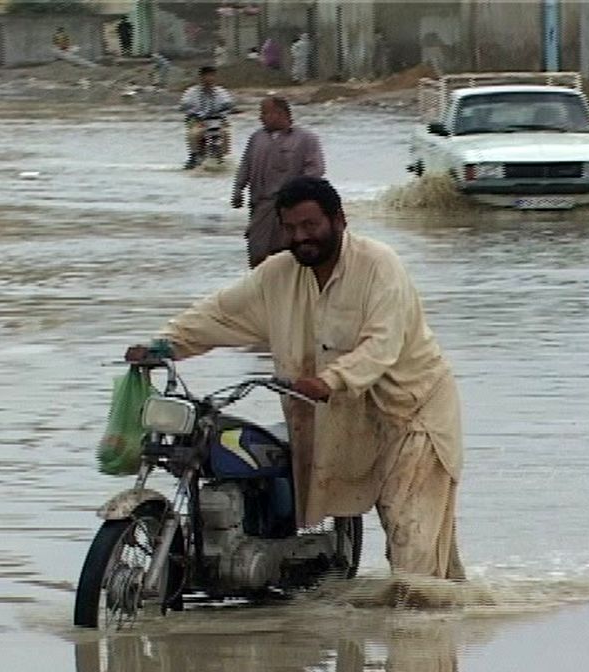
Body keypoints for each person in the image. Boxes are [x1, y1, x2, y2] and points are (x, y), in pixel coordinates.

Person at [126, 177, 466, 581]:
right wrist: (165, 345)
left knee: (413, 543)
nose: (300, 237)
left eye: (310, 226)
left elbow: (382, 345)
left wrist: (330, 379)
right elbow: (219, 314)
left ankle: (425, 627)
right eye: (290, 228)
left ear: (339, 220)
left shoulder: (379, 265)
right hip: (340, 416)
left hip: (412, 414)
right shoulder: (278, 276)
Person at [231, 95, 324, 267]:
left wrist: (298, 194)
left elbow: (315, 171)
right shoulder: (256, 138)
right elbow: (245, 165)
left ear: (280, 113)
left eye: (265, 112)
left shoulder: (306, 139)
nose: (260, 117)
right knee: (258, 254)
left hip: (291, 209)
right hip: (261, 206)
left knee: (289, 255)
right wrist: (238, 189)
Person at [178, 65, 235, 169]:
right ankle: (194, 156)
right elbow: (185, 107)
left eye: (212, 76)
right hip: (196, 120)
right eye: (207, 76)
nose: (209, 78)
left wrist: (229, 112)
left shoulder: (221, 92)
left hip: (217, 120)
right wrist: (198, 118)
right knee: (194, 133)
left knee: (225, 132)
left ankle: (222, 155)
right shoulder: (191, 93)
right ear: (201, 77)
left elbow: (228, 106)